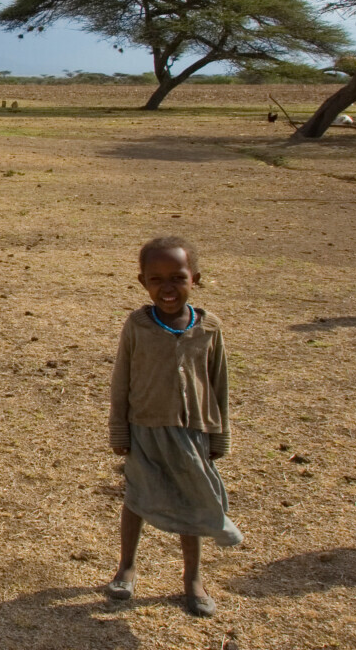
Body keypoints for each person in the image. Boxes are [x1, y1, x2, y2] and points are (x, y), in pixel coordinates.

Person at [106, 236, 241, 618]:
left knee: (192, 499)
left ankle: (193, 579)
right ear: (142, 282)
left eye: (177, 278)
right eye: (156, 279)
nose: (167, 288)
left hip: (192, 431)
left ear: (194, 279)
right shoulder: (137, 326)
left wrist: (219, 434)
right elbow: (122, 380)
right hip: (145, 428)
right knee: (137, 497)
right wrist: (120, 430)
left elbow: (219, 383)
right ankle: (126, 568)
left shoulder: (209, 328)